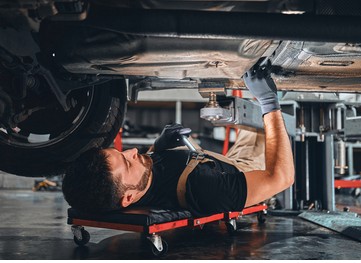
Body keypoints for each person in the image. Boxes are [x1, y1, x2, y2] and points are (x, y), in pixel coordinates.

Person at [62, 64, 295, 216]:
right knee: (263, 117)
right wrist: (269, 102)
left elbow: (151, 178)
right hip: (247, 169)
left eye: (121, 153)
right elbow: (280, 178)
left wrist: (158, 147)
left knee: (251, 110)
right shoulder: (204, 189)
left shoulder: (138, 184)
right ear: (129, 198)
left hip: (218, 161)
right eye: (127, 162)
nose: (132, 151)